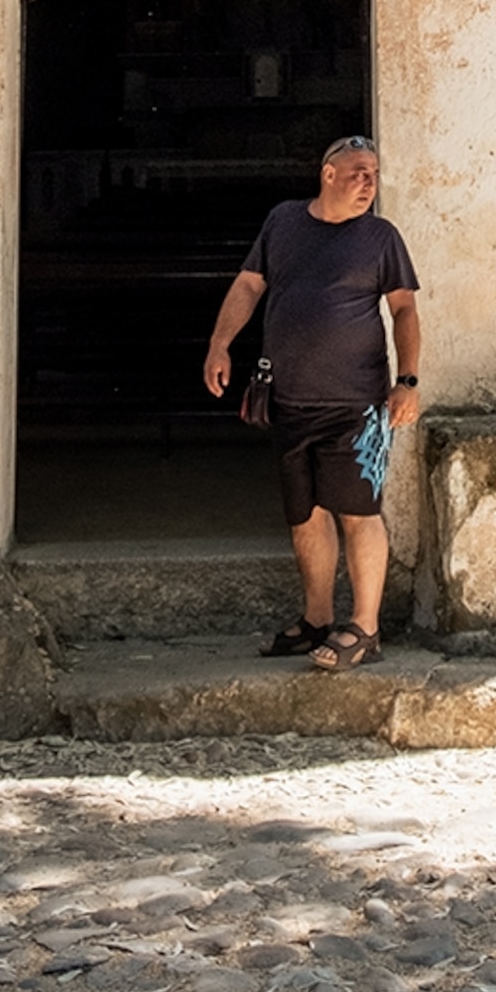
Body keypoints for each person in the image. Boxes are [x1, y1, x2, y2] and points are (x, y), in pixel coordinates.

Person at [202, 132, 421, 669]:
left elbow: (404, 311)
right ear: (328, 174)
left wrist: (408, 380)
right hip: (290, 398)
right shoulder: (283, 222)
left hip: (357, 404)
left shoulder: (380, 238)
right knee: (305, 515)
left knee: (358, 513)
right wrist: (219, 344)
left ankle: (365, 629)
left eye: (373, 173)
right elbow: (250, 285)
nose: (368, 182)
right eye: (357, 172)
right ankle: (317, 619)